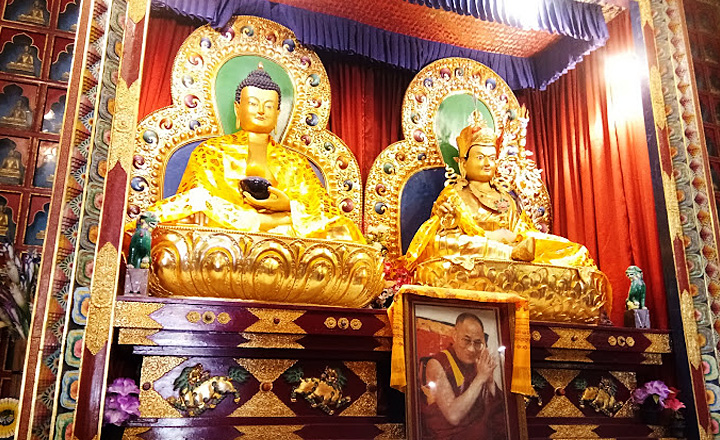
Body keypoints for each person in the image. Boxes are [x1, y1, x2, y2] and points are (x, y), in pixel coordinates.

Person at [136, 65, 363, 242]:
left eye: (269, 106)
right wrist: (212, 213)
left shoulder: (295, 162)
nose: (261, 111)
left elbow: (324, 208)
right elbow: (199, 196)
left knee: (345, 231)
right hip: (228, 229)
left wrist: (289, 207)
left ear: (278, 113)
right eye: (253, 103)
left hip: (284, 229)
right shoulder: (211, 151)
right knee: (179, 217)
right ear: (238, 108)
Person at [404, 119, 597, 270]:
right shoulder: (454, 194)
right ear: (463, 164)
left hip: (514, 246)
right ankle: (509, 255)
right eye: (480, 157)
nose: (487, 163)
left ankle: (515, 254)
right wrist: (449, 222)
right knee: (444, 244)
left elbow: (522, 231)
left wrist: (516, 237)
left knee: (573, 250)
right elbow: (439, 233)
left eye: (492, 158)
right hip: (479, 251)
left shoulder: (505, 197)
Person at [421, 312, 508, 440]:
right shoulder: (437, 363)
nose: (472, 349)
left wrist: (489, 381)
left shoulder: (478, 363)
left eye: (477, 342)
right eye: (466, 340)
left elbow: (497, 413)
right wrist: (480, 378)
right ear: (455, 335)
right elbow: (453, 416)